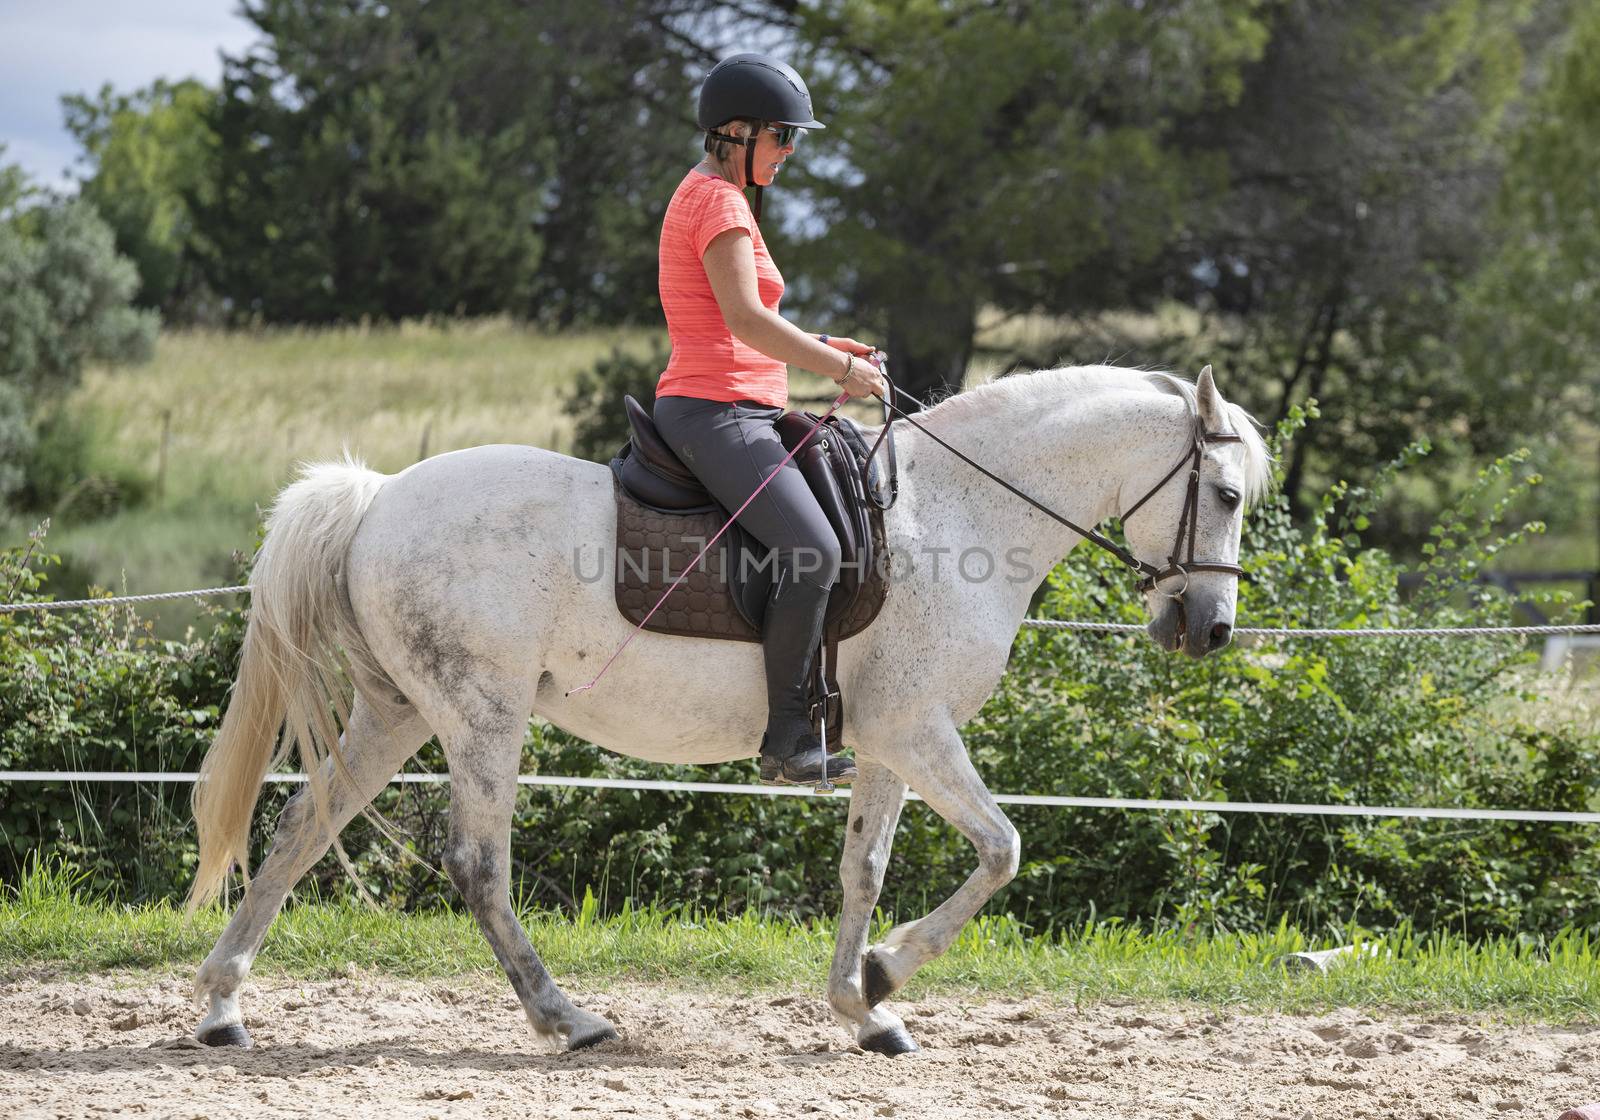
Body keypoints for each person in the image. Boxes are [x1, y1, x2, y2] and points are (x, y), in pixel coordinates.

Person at [651, 53, 888, 786]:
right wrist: (840, 371)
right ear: (735, 133)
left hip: (744, 404)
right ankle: (788, 738)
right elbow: (747, 321)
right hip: (717, 412)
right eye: (782, 136)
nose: (789, 152)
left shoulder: (720, 195)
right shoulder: (719, 204)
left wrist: (821, 346)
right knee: (814, 551)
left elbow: (751, 324)